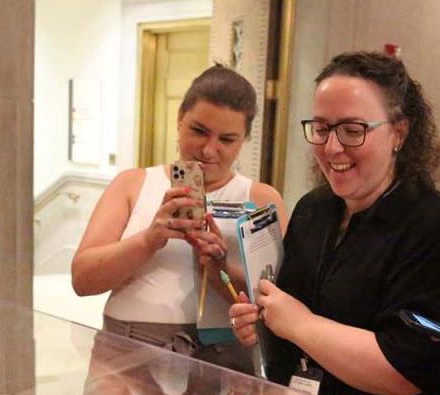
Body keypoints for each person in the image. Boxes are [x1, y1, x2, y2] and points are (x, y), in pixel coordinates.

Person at [229, 51, 440, 395]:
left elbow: (405, 370)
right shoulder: (313, 210)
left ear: (399, 133)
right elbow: (288, 318)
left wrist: (300, 325)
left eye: (353, 130)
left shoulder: (436, 226)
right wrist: (262, 324)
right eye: (322, 128)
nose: (332, 148)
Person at [72, 64, 285, 373]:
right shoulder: (132, 184)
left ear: (244, 140)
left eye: (227, 140)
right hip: (129, 352)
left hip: (225, 354)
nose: (208, 150)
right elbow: (83, 280)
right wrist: (149, 239)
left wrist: (217, 268)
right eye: (199, 131)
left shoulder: (262, 199)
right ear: (179, 120)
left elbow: (279, 304)